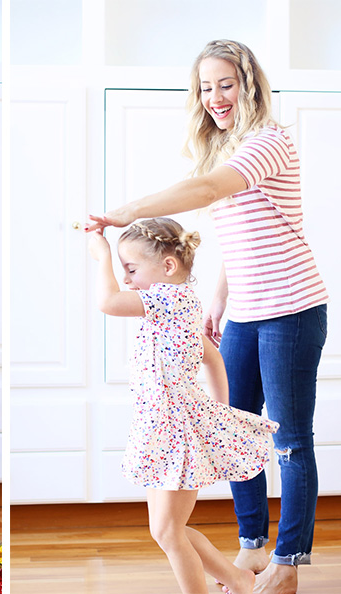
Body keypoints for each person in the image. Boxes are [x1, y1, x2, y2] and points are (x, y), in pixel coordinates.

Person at [87, 39, 329, 594]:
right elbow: (240, 237)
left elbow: (204, 190)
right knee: (234, 425)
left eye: (226, 83)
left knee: (289, 438)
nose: (215, 97)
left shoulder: (269, 141)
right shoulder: (223, 148)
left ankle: (287, 562)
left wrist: (129, 210)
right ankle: (251, 548)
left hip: (292, 307)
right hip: (244, 308)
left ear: (249, 83)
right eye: (205, 87)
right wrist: (219, 298)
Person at [88, 217, 278, 594]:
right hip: (159, 427)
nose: (125, 279)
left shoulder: (166, 298)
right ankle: (238, 578)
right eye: (123, 270)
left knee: (169, 531)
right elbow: (213, 358)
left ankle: (232, 581)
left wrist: (102, 255)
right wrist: (221, 410)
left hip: (174, 431)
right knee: (164, 530)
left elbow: (108, 301)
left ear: (168, 267)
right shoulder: (181, 305)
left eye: (131, 269)